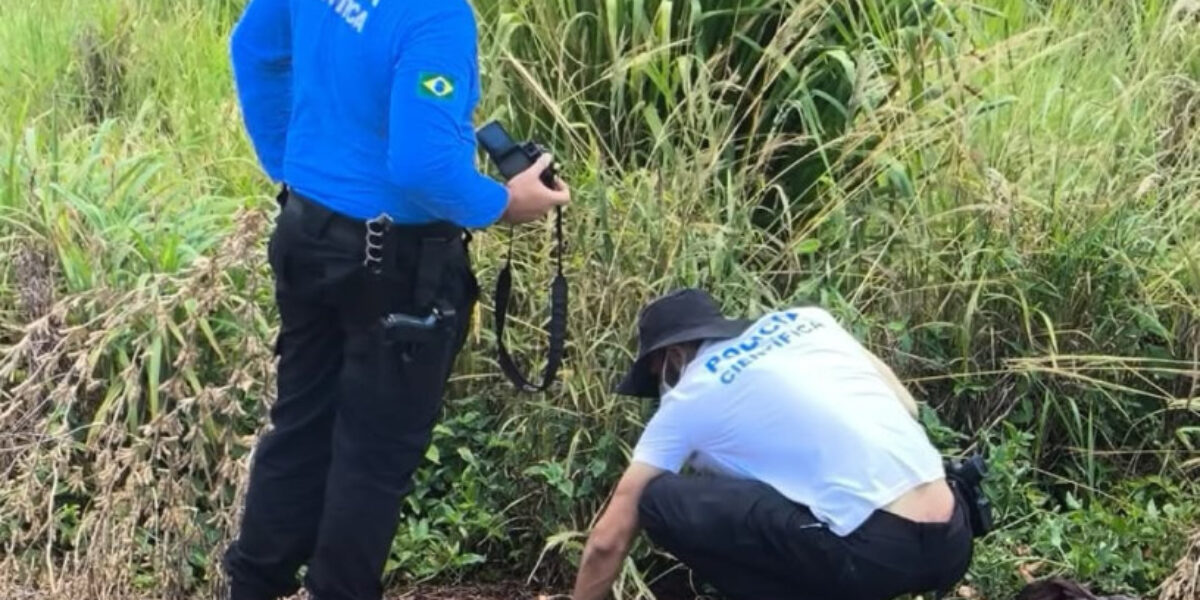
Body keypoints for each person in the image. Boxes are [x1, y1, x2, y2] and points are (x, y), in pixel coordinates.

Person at [221, 1, 570, 599]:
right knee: (373, 460)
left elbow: (252, 50)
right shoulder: (435, 16)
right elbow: (423, 165)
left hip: (306, 231)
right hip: (397, 265)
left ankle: (252, 587)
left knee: (300, 425)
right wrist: (507, 203)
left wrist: (295, 169)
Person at [572, 289, 974, 600]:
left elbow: (609, 540)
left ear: (674, 355)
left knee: (658, 498)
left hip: (871, 560)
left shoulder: (689, 396)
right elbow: (907, 406)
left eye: (658, 377)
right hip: (954, 533)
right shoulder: (810, 322)